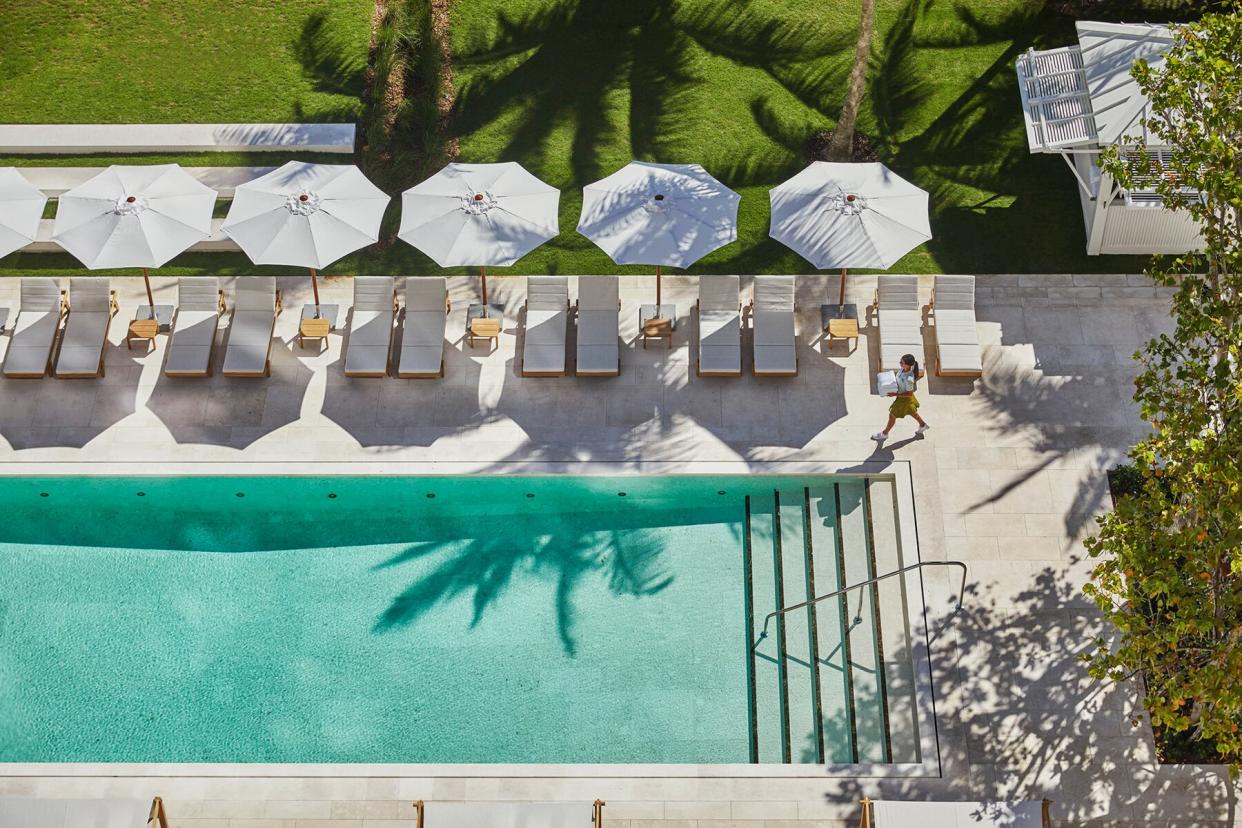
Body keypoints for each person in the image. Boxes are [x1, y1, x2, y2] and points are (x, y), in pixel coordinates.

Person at [872, 354, 930, 442]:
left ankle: (884, 433)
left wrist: (894, 394)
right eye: (900, 361)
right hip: (902, 398)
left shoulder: (909, 378)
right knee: (912, 412)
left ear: (908, 365)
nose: (900, 363)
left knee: (892, 415)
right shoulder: (903, 369)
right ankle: (923, 425)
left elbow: (910, 393)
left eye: (902, 362)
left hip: (904, 399)